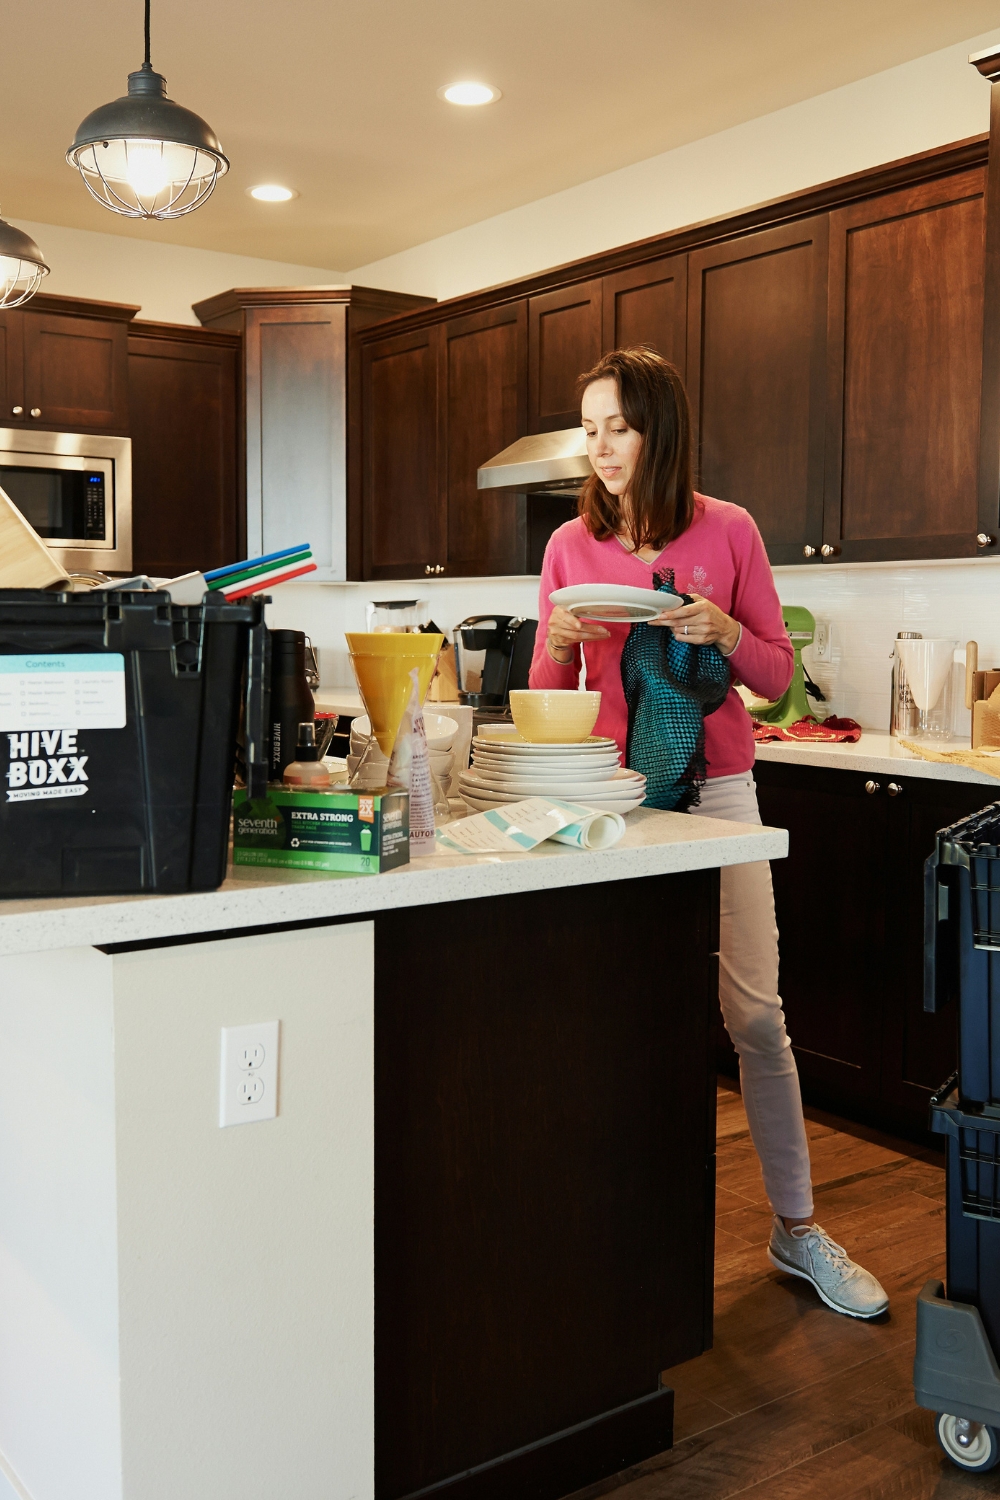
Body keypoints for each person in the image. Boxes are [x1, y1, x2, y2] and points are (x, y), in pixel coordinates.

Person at [529, 346, 888, 1320]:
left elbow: (777, 677)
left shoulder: (728, 529)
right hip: (611, 796)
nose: (602, 448)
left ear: (659, 427)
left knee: (757, 1019)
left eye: (620, 426)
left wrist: (721, 632)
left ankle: (799, 1229)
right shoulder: (569, 548)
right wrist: (557, 649)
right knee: (616, 1019)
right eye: (590, 429)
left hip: (720, 789)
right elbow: (544, 702)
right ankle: (612, 1229)